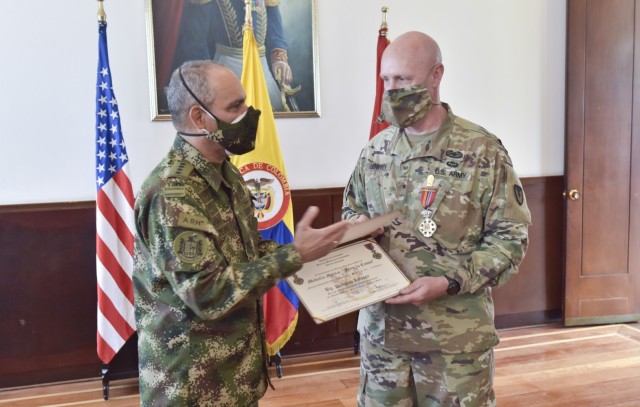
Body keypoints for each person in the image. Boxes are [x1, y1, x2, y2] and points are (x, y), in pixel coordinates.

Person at [133, 60, 348, 406]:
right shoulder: (173, 193)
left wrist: (312, 252)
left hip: (233, 378)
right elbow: (209, 294)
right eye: (235, 106)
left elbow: (245, 253)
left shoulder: (227, 174)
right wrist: (294, 255)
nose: (249, 114)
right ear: (199, 119)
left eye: (245, 102)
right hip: (192, 388)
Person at [342, 31, 531, 406]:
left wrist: (449, 281)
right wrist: (357, 232)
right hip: (383, 339)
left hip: (453, 343)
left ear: (436, 75)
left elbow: (510, 239)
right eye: (386, 80)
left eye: (404, 80)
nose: (392, 90)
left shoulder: (482, 150)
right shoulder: (375, 151)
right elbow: (353, 210)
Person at [170, 0, 295, 112]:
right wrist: (207, 77)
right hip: (225, 67)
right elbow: (196, 40)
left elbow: (275, 31)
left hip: (262, 70)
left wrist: (279, 59)